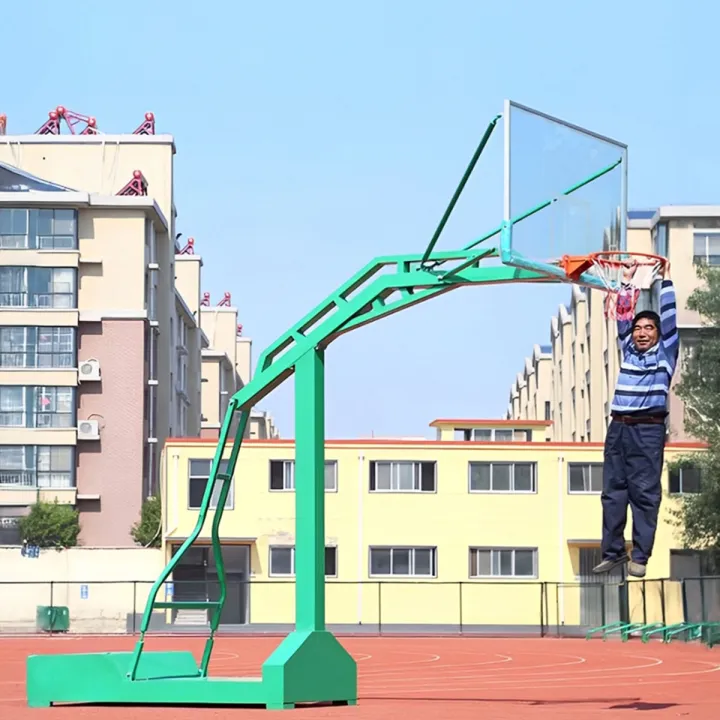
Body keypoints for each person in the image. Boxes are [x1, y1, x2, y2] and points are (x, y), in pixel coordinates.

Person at [592, 259, 679, 579]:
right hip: (618, 427)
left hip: (647, 429)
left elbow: (669, 317)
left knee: (644, 494)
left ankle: (640, 555)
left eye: (649, 328)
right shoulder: (628, 350)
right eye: (639, 328)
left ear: (659, 334)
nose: (641, 333)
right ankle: (613, 552)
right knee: (613, 493)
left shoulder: (666, 353)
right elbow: (623, 316)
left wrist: (665, 281)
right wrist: (627, 281)